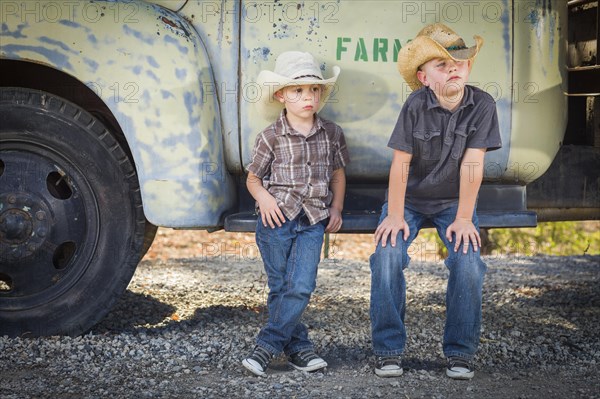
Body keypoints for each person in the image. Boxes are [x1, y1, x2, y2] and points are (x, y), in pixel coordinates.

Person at [369, 23, 502, 380]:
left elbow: (473, 164)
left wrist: (463, 218)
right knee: (387, 255)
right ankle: (388, 350)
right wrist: (395, 214)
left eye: (459, 61)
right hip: (409, 199)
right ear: (424, 77)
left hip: (453, 202)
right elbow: (401, 164)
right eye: (441, 65)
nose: (453, 68)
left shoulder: (483, 105)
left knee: (468, 262)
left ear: (469, 68)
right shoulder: (415, 105)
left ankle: (460, 352)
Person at [242, 51, 350, 376]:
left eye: (314, 90)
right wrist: (264, 199)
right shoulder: (270, 137)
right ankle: (299, 349)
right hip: (275, 221)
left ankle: (266, 348)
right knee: (281, 288)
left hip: (312, 221)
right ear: (281, 96)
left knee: (300, 286)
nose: (308, 97)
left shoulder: (332, 133)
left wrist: (337, 208)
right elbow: (253, 178)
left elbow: (338, 174)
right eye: (298, 91)